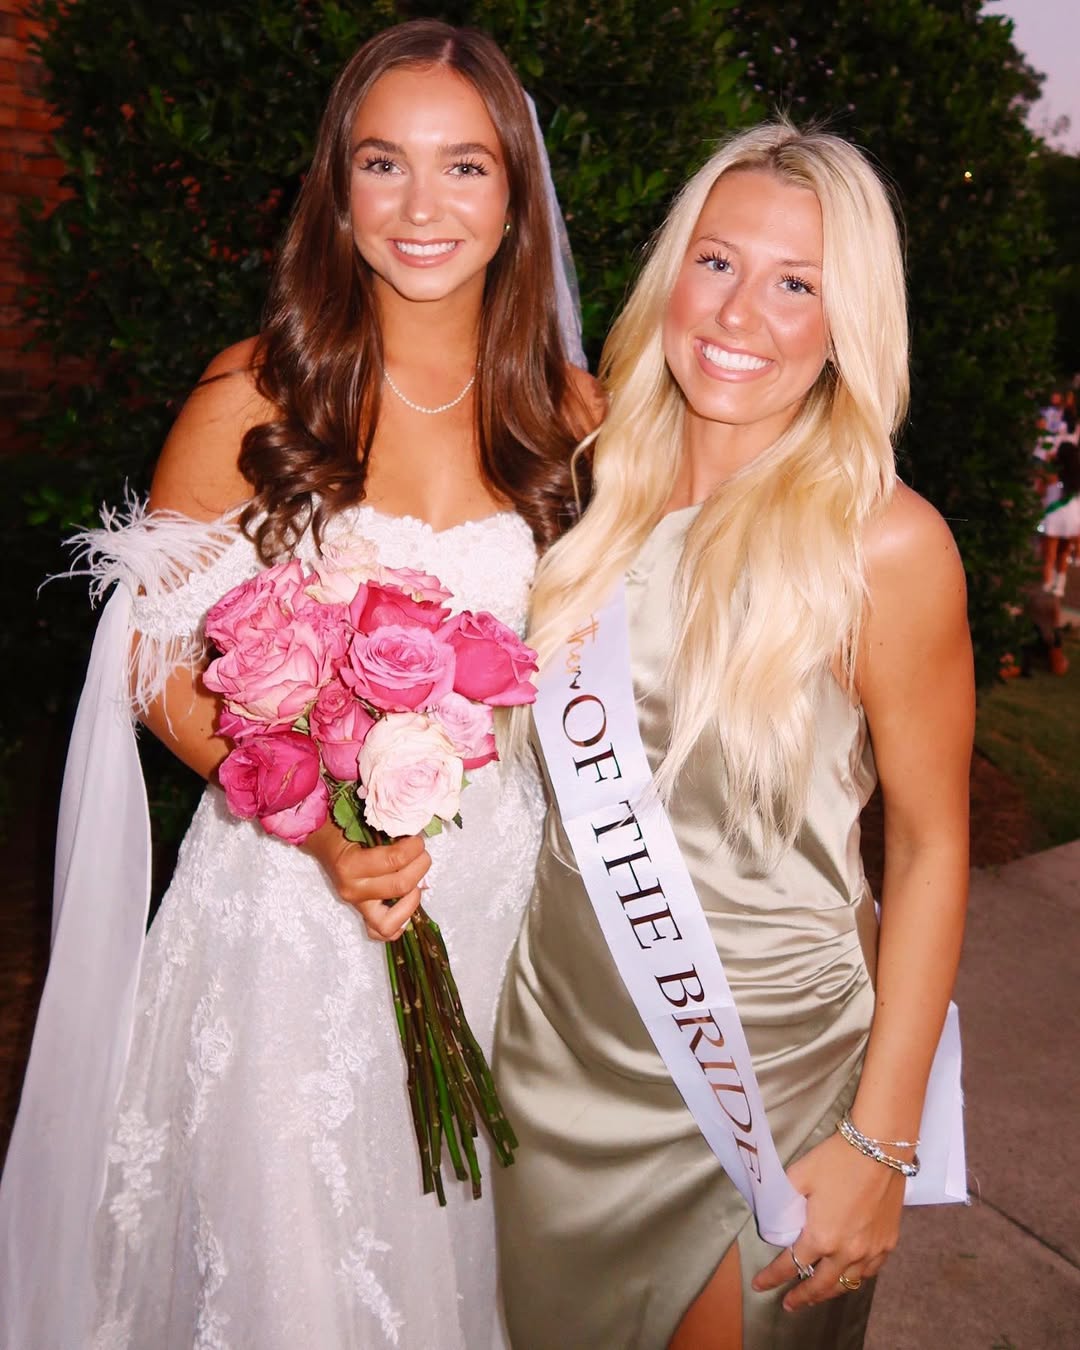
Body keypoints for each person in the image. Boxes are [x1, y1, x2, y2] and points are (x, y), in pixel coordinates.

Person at [0, 19, 598, 1350]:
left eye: (464, 167)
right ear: (337, 188)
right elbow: (153, 661)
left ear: (516, 197)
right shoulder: (251, 393)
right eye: (384, 164)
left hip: (499, 912)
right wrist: (318, 821)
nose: (422, 207)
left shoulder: (576, 413)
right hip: (284, 921)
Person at [494, 121, 973, 1349]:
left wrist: (883, 1141)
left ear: (847, 323)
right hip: (557, 1051)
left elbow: (931, 850)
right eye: (716, 262)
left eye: (796, 283)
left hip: (762, 1074)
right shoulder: (595, 492)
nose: (738, 312)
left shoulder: (884, 542)